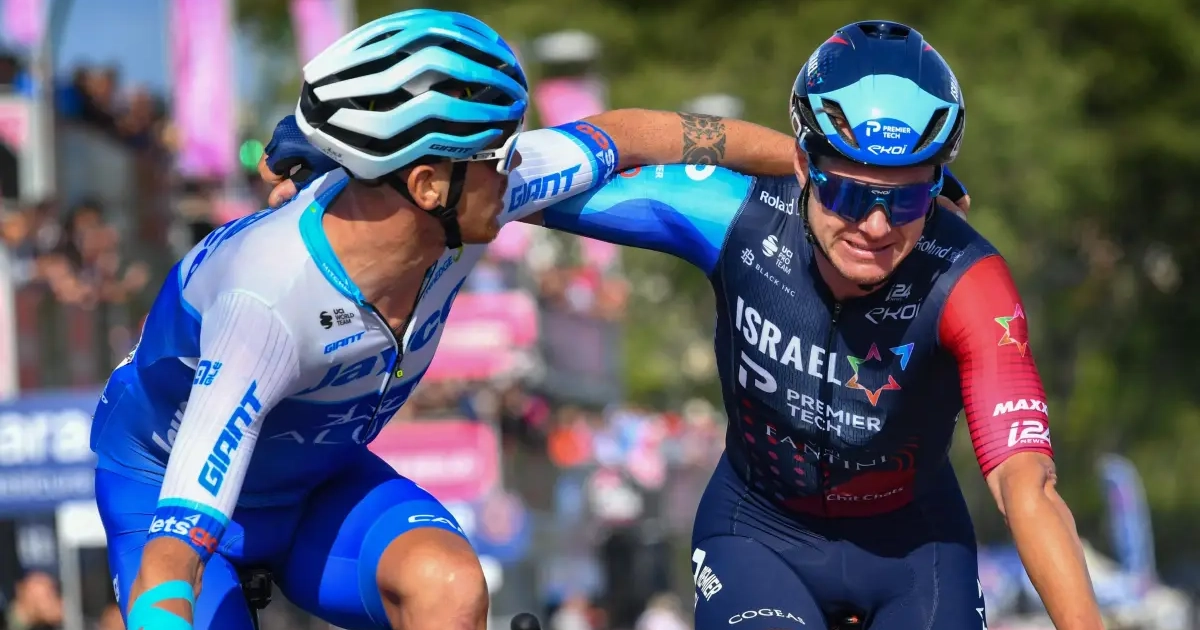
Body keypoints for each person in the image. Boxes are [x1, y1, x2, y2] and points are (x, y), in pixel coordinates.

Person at [261, 19, 1102, 630]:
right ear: (803, 163)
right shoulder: (734, 213)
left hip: (915, 549)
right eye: (848, 192)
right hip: (760, 536)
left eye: (908, 199)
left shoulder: (968, 277)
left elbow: (1026, 487)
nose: (876, 228)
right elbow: (508, 181)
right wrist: (354, 153)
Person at [90, 9, 800, 630]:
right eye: (499, 154)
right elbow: (171, 557)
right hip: (165, 492)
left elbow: (631, 135)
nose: (516, 166)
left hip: (315, 485)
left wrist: (810, 165)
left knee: (451, 587)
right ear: (427, 185)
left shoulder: (473, 199)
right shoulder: (268, 303)